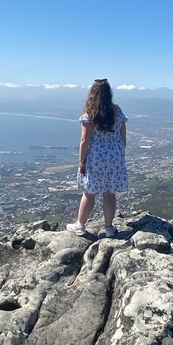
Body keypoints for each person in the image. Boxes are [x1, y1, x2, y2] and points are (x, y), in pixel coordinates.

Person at [66, 78, 128, 236]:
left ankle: (80, 226)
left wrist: (81, 162)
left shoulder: (90, 114)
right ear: (109, 94)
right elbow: (123, 135)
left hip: (97, 157)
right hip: (115, 154)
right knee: (109, 192)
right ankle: (108, 228)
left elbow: (84, 140)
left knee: (89, 192)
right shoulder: (117, 110)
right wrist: (118, 154)